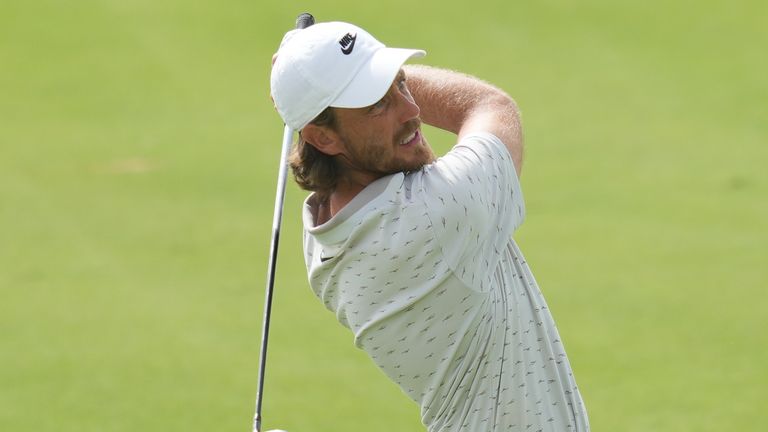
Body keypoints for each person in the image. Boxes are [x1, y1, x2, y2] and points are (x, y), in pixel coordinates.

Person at [270, 21, 590, 432]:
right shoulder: (437, 215)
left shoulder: (322, 230)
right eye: (376, 105)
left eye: (401, 83)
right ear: (324, 138)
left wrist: (306, 79)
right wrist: (307, 75)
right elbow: (489, 106)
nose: (412, 109)